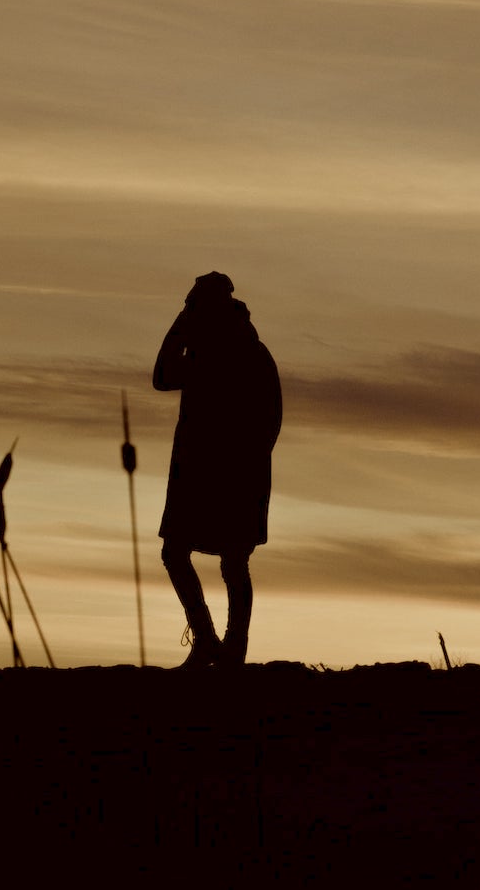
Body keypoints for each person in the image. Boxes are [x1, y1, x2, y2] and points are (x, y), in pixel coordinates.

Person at [152, 270, 281, 668]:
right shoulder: (204, 352)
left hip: (235, 474)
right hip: (197, 470)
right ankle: (208, 639)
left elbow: (268, 417)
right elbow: (161, 378)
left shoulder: (245, 352)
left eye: (193, 305)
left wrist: (249, 464)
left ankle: (232, 648)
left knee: (232, 560)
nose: (189, 311)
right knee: (176, 552)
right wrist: (180, 327)